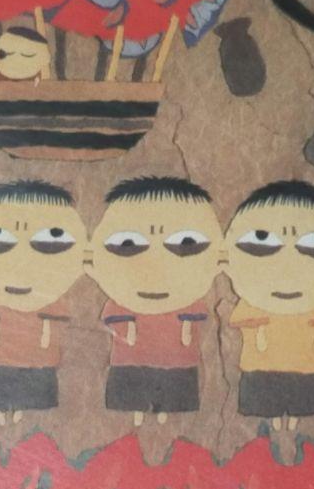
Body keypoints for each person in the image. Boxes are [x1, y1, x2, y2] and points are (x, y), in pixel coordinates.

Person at [87, 176, 223, 427]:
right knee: (133, 389)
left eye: (186, 243)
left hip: (179, 359)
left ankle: (163, 416)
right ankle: (137, 416)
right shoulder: (121, 302)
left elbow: (192, 320)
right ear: (90, 258)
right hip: (130, 358)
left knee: (174, 389)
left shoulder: (188, 302)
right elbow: (116, 319)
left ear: (221, 257)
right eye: (127, 243)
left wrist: (185, 335)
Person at [0, 180, 86, 425]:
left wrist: (45, 342)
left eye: (51, 240)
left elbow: (52, 321)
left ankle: (20, 412)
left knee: (28, 392)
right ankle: (1, 413)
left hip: (36, 359)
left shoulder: (49, 301)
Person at [223, 180, 314, 429]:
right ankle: (274, 420)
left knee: (303, 395)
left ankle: (295, 420)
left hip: (309, 363)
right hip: (262, 364)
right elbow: (247, 323)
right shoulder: (253, 301)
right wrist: (260, 337)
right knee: (267, 393)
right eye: (262, 241)